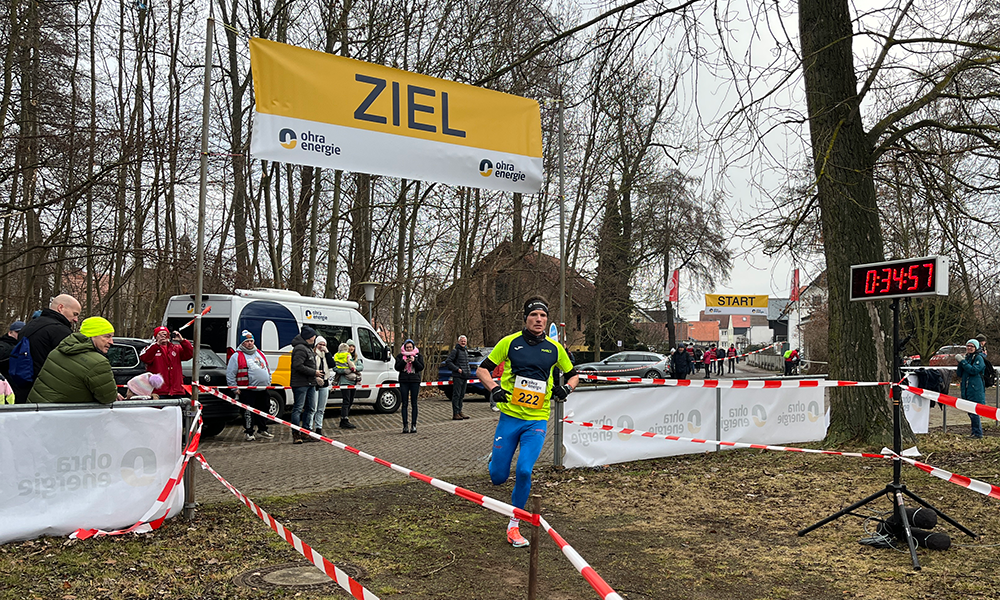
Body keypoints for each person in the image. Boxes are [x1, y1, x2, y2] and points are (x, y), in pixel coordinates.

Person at [477, 297, 578, 548]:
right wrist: (494, 388)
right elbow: (482, 369)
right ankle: (495, 459)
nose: (539, 320)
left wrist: (566, 388)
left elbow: (574, 375)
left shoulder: (555, 349)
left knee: (524, 470)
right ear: (526, 318)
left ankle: (514, 525)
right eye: (534, 315)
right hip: (510, 417)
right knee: (498, 478)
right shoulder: (509, 343)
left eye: (543, 316)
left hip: (537, 420)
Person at [28, 316, 122, 404]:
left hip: (34, 410)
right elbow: (107, 398)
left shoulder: (58, 351)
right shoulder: (98, 363)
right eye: (107, 336)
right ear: (92, 335)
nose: (111, 342)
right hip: (61, 414)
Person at [11, 294, 81, 403]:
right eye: (75, 314)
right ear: (61, 308)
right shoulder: (60, 331)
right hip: (49, 392)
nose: (76, 320)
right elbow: (72, 365)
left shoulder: (29, 326)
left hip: (23, 386)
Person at [227, 330, 274, 442]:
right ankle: (249, 432)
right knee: (248, 412)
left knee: (264, 408)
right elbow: (230, 373)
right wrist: (234, 388)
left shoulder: (260, 353)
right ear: (242, 343)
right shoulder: (236, 356)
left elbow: (267, 368)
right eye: (247, 341)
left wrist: (269, 380)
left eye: (251, 341)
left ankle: (262, 429)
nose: (249, 343)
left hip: (262, 389)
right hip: (247, 389)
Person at [140, 325, 194, 398]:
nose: (163, 336)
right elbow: (145, 358)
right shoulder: (150, 348)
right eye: (160, 334)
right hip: (158, 391)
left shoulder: (176, 348)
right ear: (155, 336)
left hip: (176, 391)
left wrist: (182, 341)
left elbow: (191, 353)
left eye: (165, 334)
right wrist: (157, 344)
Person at [289, 325, 322, 443]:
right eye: (313, 336)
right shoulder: (300, 349)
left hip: (310, 383)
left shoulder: (308, 348)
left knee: (311, 408)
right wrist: (314, 372)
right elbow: (298, 365)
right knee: (298, 408)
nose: (315, 338)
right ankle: (296, 433)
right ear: (309, 337)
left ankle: (306, 431)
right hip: (300, 383)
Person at [956, 338, 987, 439]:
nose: (969, 348)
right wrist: (960, 363)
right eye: (968, 346)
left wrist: (963, 362)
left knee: (974, 411)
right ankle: (975, 432)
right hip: (966, 388)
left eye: (971, 346)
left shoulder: (979, 358)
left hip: (975, 389)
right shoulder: (967, 358)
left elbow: (974, 370)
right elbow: (959, 373)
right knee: (970, 411)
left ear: (976, 347)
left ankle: (978, 433)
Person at [395, 339, 424, 433]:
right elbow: (397, 367)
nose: (408, 349)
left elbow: (421, 367)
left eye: (410, 347)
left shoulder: (418, 356)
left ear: (413, 347)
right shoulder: (400, 356)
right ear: (404, 347)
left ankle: (414, 425)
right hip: (404, 381)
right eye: (407, 347)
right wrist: (404, 362)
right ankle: (405, 425)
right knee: (404, 403)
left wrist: (414, 361)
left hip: (415, 380)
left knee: (414, 403)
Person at [333, 339, 363, 429]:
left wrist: (354, 368)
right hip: (345, 382)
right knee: (346, 401)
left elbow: (361, 366)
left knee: (350, 401)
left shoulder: (355, 357)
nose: (352, 348)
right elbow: (335, 368)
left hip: (353, 381)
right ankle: (344, 420)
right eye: (350, 346)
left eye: (353, 346)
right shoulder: (341, 357)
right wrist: (344, 370)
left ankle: (345, 417)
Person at [310, 336, 333, 437]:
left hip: (324, 383)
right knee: (313, 408)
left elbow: (332, 364)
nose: (322, 347)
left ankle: (318, 428)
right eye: (320, 344)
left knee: (321, 408)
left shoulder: (325, 356)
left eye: (324, 345)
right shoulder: (313, 355)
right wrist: (315, 377)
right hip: (315, 383)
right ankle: (309, 428)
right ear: (316, 345)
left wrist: (327, 352)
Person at [444, 335, 471, 420]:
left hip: (464, 376)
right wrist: (457, 369)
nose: (463, 342)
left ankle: (460, 411)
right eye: (462, 341)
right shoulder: (455, 351)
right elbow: (448, 361)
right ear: (458, 342)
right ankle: (455, 413)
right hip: (458, 376)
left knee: (462, 395)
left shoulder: (465, 351)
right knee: (457, 394)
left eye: (464, 341)